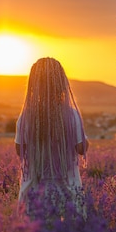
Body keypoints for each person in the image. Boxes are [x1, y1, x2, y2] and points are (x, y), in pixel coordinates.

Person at [14, 57, 89, 214]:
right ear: (62, 84)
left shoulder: (26, 116)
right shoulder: (71, 115)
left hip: (34, 191)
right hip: (67, 190)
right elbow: (81, 149)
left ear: (33, 85)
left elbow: (19, 149)